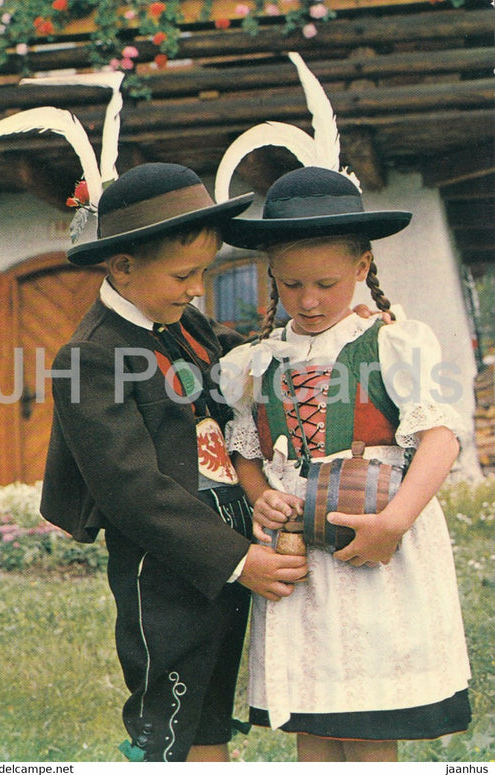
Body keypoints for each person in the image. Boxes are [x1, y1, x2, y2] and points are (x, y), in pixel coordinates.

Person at [39, 162, 309, 763]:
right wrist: (239, 560)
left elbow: (250, 360)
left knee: (209, 714)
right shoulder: (90, 357)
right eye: (184, 275)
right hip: (165, 567)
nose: (197, 288)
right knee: (169, 719)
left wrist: (330, 333)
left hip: (227, 548)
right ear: (122, 267)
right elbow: (130, 488)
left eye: (204, 273)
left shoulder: (186, 323)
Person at [218, 165, 472, 762]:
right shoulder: (257, 360)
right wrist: (259, 494)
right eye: (291, 284)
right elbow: (245, 448)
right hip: (299, 558)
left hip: (378, 546)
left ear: (362, 267)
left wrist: (393, 524)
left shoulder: (393, 342)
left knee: (367, 721)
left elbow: (440, 440)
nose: (308, 300)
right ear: (272, 275)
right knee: (315, 718)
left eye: (326, 284)